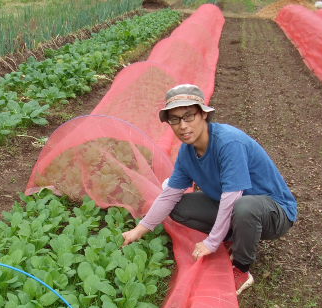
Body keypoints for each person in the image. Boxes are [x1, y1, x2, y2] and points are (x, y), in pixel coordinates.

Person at [122, 84, 297, 294]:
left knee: (244, 207)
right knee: (178, 207)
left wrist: (212, 242)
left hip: (275, 212)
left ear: (204, 114)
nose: (182, 126)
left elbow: (232, 198)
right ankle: (235, 236)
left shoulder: (228, 142)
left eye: (188, 116)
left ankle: (242, 268)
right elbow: (169, 195)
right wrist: (140, 229)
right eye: (174, 119)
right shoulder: (187, 152)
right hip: (237, 206)